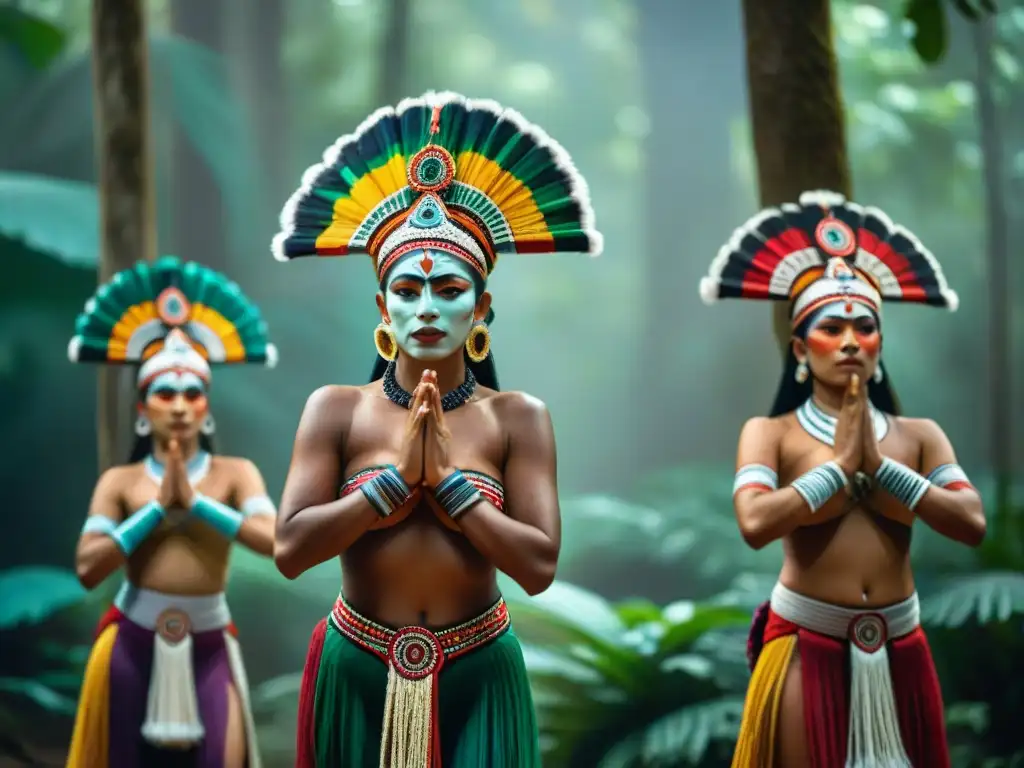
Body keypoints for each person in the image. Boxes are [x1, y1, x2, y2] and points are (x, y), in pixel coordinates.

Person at [271, 90, 602, 768]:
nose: (426, 307)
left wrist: (450, 487)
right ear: (382, 306)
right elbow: (291, 550)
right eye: (407, 291)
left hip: (480, 668)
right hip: (355, 662)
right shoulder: (335, 409)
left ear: (482, 306)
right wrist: (392, 485)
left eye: (448, 291)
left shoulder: (519, 418)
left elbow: (537, 567)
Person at [699, 191, 985, 768]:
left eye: (866, 327)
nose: (852, 341)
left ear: (881, 344)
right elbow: (754, 523)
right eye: (833, 327)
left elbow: (971, 522)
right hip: (808, 643)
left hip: (903, 644)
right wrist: (838, 470)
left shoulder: (919, 434)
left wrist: (882, 472)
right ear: (802, 348)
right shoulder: (771, 432)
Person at [65, 255, 279, 768]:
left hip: (209, 642)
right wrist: (154, 511)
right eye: (165, 392)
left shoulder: (236, 473)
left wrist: (197, 505)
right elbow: (88, 568)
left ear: (206, 406)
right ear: (143, 410)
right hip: (131, 641)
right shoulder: (120, 482)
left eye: (192, 392)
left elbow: (275, 543)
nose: (180, 405)